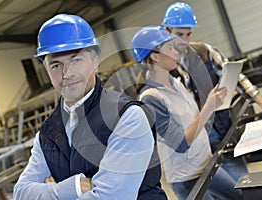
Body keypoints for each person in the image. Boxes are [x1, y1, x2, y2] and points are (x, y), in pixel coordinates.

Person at [13, 14, 167, 200]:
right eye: (55, 65)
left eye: (76, 60)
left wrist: (48, 193)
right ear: (47, 71)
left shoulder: (128, 116)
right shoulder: (47, 133)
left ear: (95, 62)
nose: (66, 74)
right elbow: (21, 193)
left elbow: (110, 197)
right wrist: (75, 187)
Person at [161, 2, 262, 181]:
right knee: (211, 185)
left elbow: (237, 78)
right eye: (179, 35)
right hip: (195, 136)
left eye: (188, 34)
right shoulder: (163, 65)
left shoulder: (204, 51)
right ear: (167, 31)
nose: (185, 40)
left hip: (221, 125)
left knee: (241, 180)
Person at [131, 25, 243, 200]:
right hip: (187, 178)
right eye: (169, 48)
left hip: (206, 164)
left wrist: (214, 103)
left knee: (240, 196)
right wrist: (208, 107)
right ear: (154, 56)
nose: (176, 51)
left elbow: (194, 120)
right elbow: (180, 143)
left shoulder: (176, 82)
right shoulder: (150, 98)